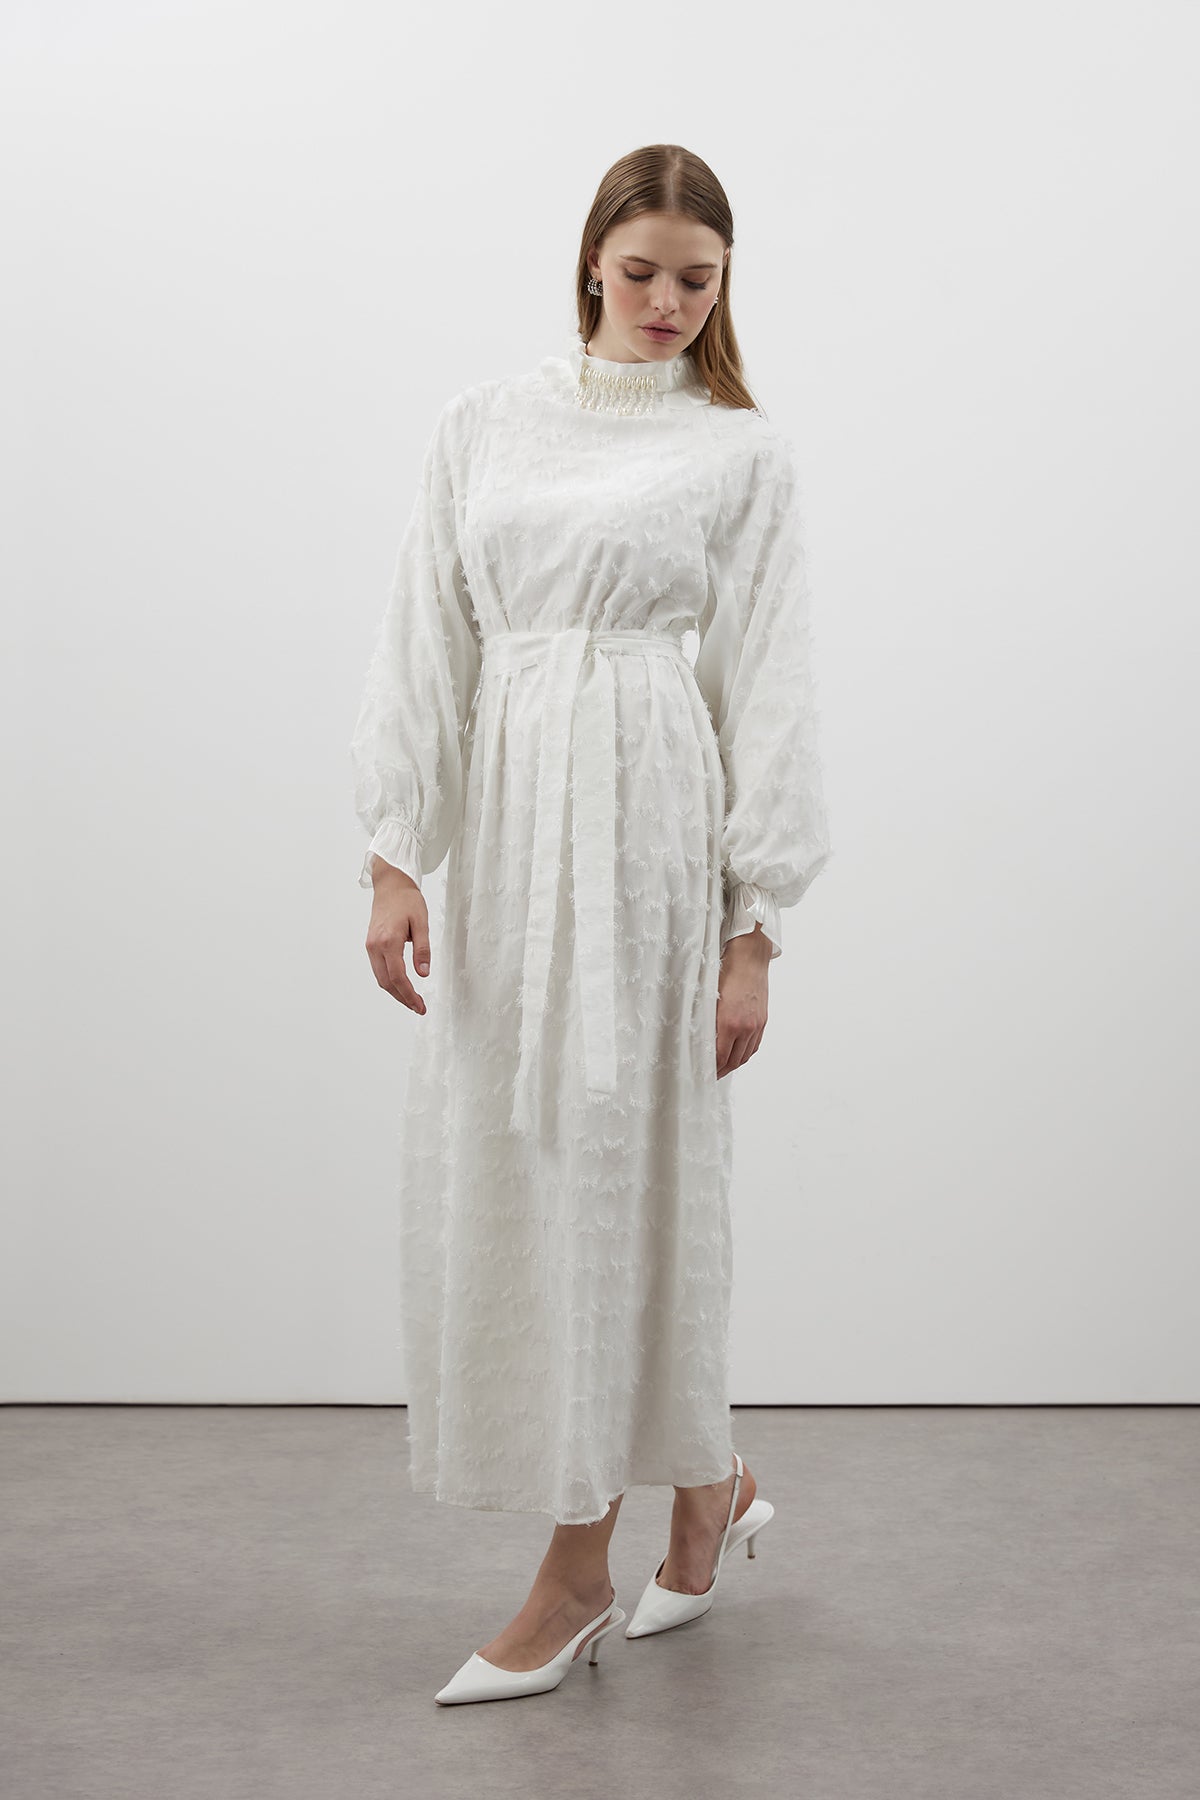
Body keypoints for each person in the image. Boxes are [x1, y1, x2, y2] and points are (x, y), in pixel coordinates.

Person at [349, 142, 832, 1705]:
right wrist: (396, 853)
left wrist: (753, 927)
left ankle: (574, 1575)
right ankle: (708, 1484)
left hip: (650, 841)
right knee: (532, 1161)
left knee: (625, 1172)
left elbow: (767, 684)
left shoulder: (738, 453)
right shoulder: (483, 425)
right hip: (508, 831)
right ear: (589, 264)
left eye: (699, 280)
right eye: (642, 274)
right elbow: (426, 630)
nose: (668, 303)